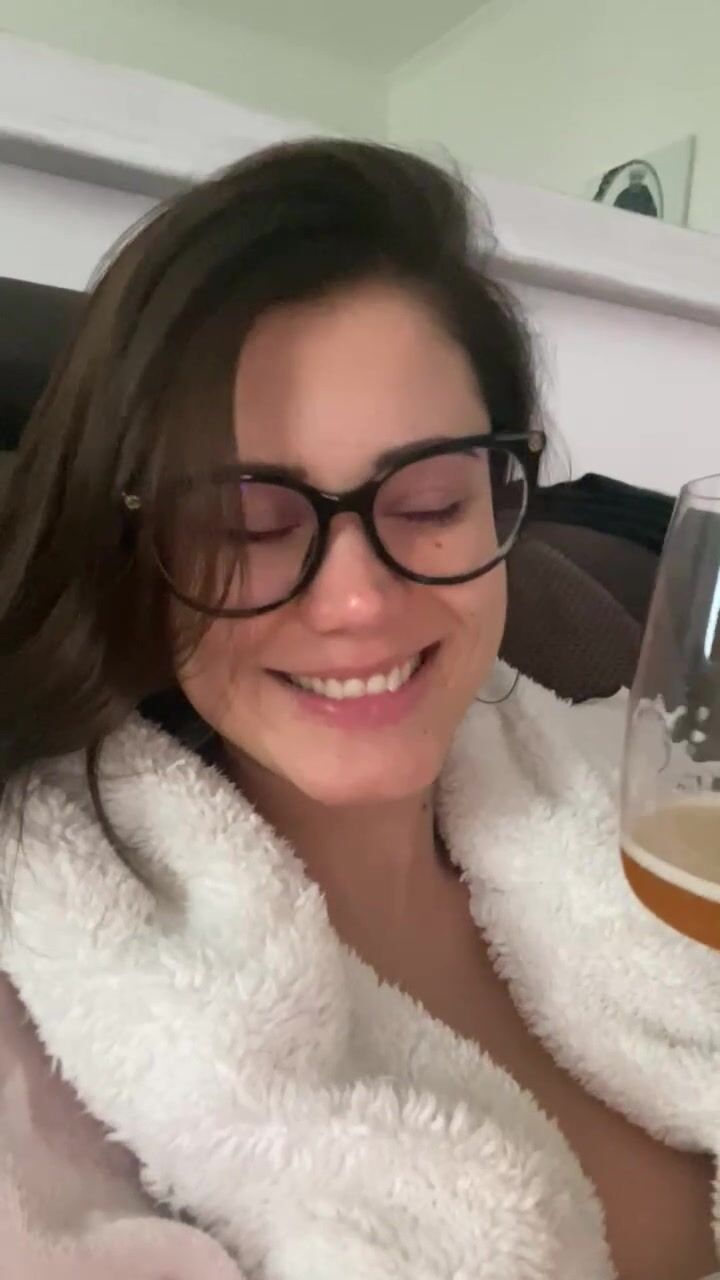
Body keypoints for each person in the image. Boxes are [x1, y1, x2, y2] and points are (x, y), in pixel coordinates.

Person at [0, 139, 718, 1280]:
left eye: (429, 502)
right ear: (133, 544)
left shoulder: (640, 805)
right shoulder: (44, 1001)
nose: (357, 601)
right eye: (246, 521)